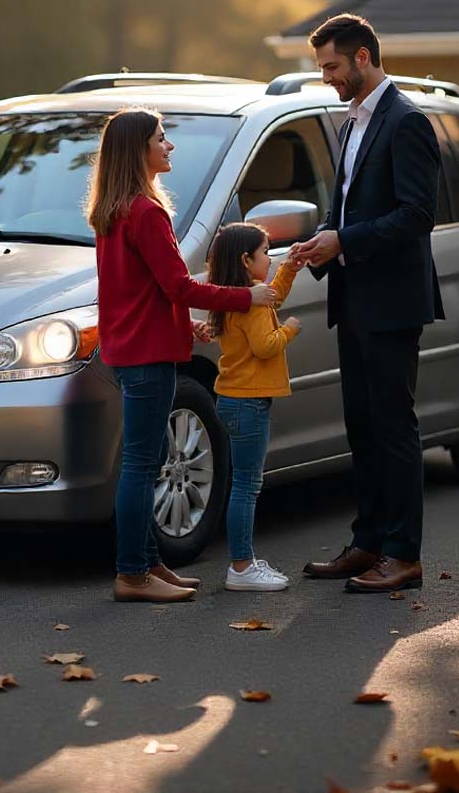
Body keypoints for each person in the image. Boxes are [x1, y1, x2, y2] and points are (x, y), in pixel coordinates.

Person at [87, 108, 279, 603]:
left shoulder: (113, 211)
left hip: (130, 349)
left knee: (143, 462)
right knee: (141, 466)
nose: (168, 146)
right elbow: (177, 285)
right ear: (138, 151)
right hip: (148, 359)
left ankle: (149, 563)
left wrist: (184, 327)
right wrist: (245, 298)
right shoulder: (147, 213)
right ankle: (132, 573)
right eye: (160, 138)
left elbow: (137, 292)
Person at [290, 13, 442, 594]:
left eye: (331, 65)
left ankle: (404, 556)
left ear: (361, 57)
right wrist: (323, 239)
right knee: (362, 424)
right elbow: (348, 203)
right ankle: (369, 542)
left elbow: (416, 216)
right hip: (351, 296)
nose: (325, 76)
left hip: (393, 302)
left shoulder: (407, 122)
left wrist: (344, 240)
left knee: (394, 427)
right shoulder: (352, 123)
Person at [207, 223, 301, 591]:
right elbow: (265, 345)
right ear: (246, 260)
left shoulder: (236, 297)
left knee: (242, 482)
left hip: (232, 399)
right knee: (247, 485)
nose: (270, 257)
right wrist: (290, 329)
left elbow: (272, 295)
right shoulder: (252, 304)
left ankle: (243, 559)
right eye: (266, 253)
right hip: (249, 403)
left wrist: (288, 269)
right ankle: (242, 567)